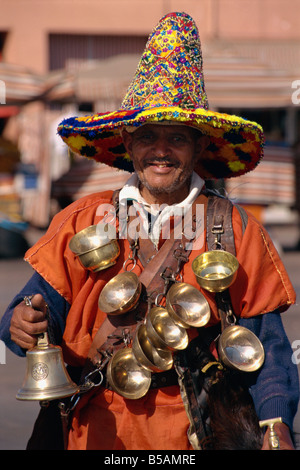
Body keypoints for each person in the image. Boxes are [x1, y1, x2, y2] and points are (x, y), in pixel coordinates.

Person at [0, 12, 298, 451]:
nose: (161, 151)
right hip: (95, 432)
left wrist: (277, 428)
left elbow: (268, 347)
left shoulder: (237, 229)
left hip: (197, 434)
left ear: (199, 146)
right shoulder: (83, 219)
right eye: (147, 136)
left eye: (176, 138)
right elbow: (26, 316)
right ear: (126, 143)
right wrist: (22, 323)